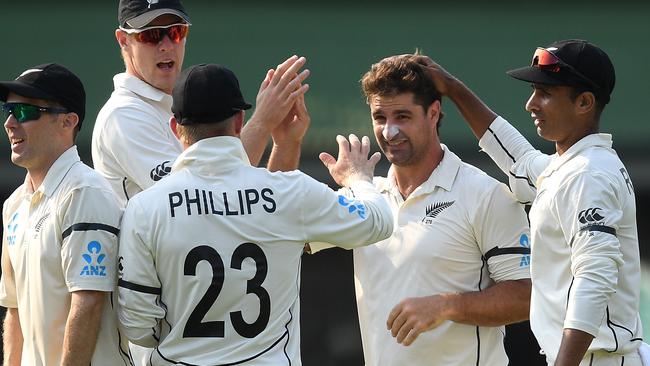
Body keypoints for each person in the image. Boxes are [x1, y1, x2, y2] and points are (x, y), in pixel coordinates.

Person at [116, 63, 394, 365]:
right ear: (239, 120)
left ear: (175, 128)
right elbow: (378, 221)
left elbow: (137, 326)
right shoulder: (290, 192)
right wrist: (358, 178)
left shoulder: (145, 208)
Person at [418, 39, 643, 365]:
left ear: (584, 102)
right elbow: (518, 161)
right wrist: (453, 89)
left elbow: (594, 278)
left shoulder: (588, 174)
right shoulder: (570, 166)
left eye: (546, 93)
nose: (531, 104)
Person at [311, 54, 532, 365]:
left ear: (433, 112)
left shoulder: (485, 194)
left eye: (402, 116)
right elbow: (281, 233)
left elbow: (526, 296)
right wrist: (285, 141)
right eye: (380, 118)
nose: (389, 132)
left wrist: (446, 306)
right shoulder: (364, 195)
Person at [92, 0, 310, 207]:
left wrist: (285, 144)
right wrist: (262, 123)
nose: (167, 46)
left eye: (176, 32)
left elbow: (251, 204)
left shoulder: (180, 103)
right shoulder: (122, 115)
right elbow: (197, 198)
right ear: (123, 41)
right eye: (152, 35)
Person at [0, 64, 129, 365]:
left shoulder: (85, 192)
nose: (9, 122)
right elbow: (15, 309)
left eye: (25, 112)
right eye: (8, 109)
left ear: (68, 121)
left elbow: (88, 303)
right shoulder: (14, 205)